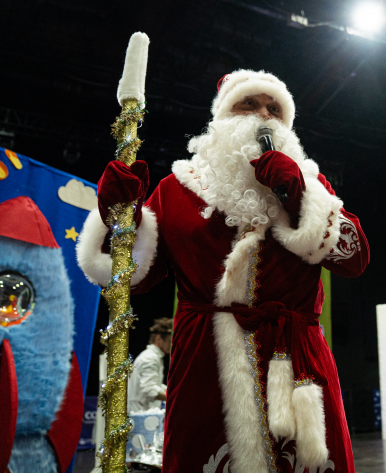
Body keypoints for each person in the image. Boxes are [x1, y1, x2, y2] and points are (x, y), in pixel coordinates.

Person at [77, 70, 369, 473]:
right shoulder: (176, 190)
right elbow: (130, 280)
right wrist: (118, 218)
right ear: (222, 116)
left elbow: (355, 259)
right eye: (249, 103)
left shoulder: (310, 183)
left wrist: (299, 197)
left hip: (296, 361)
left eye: (274, 108)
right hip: (206, 365)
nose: (263, 114)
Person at [128, 318, 172, 412]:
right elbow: (149, 389)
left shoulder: (154, 357)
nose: (172, 345)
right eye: (169, 341)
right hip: (138, 414)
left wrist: (172, 391)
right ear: (158, 338)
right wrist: (174, 398)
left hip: (142, 413)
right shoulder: (150, 358)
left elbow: (154, 384)